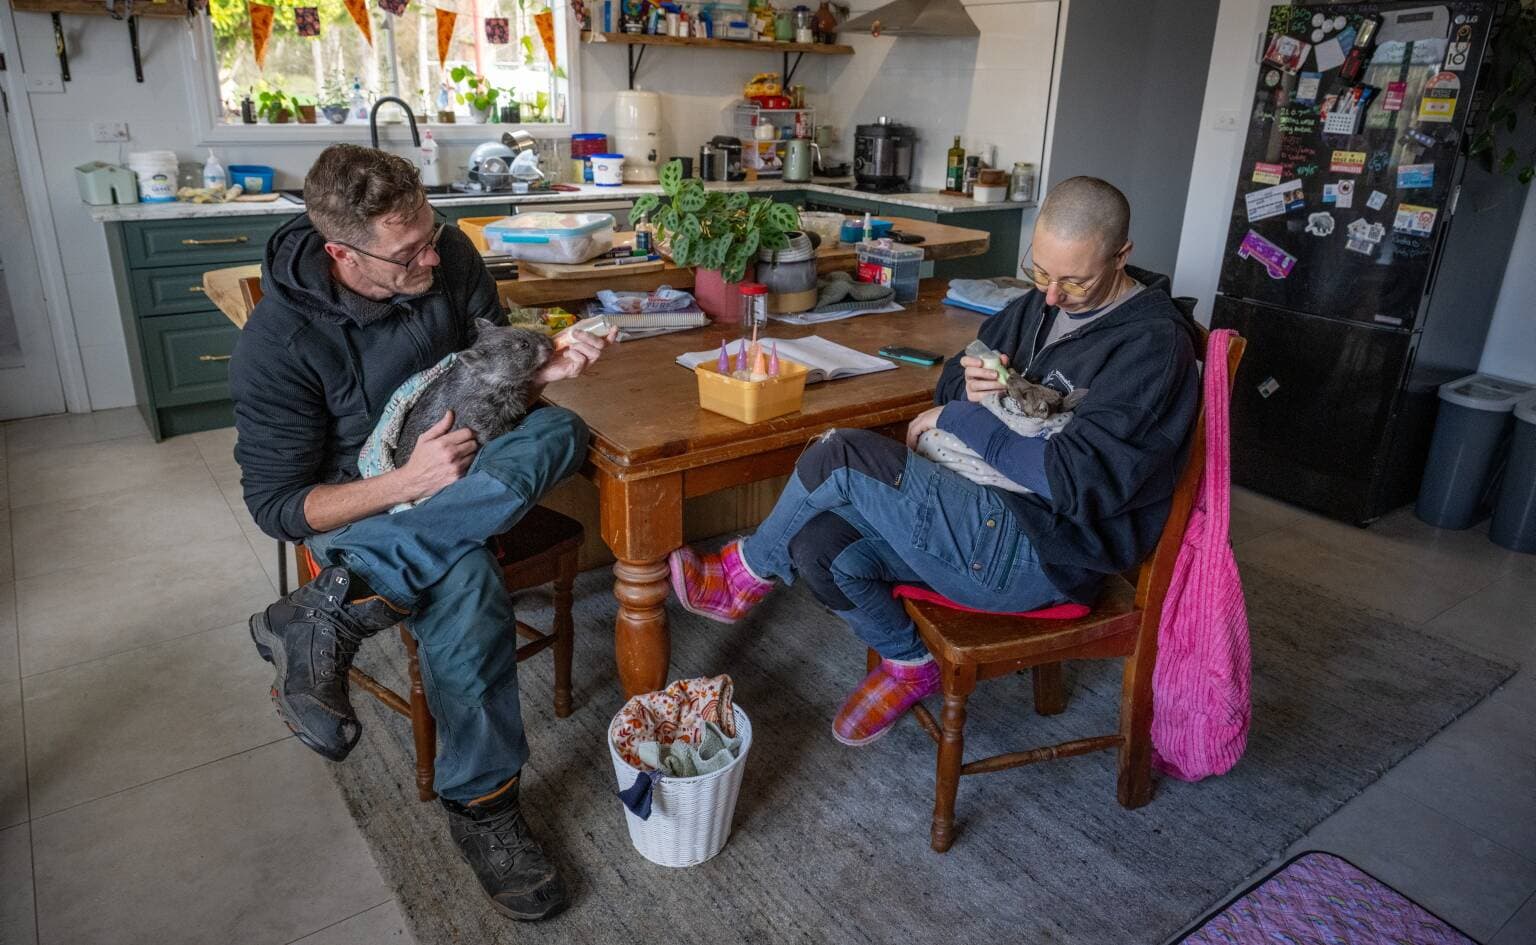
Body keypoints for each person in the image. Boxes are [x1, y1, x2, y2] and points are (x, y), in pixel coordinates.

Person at [668, 176, 1200, 746]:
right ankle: (908, 661)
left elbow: (1077, 480)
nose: (1051, 295)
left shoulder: (1151, 347)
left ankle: (744, 574)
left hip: (1045, 552)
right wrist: (966, 386)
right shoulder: (1037, 309)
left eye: (1074, 280)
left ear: (1122, 257)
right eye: (1040, 272)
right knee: (818, 544)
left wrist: (960, 418)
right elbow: (951, 377)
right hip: (978, 512)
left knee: (840, 455)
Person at [231, 144, 612, 922]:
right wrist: (410, 482)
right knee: (464, 579)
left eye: (432, 235)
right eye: (408, 254)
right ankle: (486, 808)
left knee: (563, 433)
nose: (433, 258)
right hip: (361, 502)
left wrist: (549, 371)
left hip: (462, 467)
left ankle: (335, 607)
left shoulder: (449, 254)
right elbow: (278, 506)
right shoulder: (278, 341)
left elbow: (497, 374)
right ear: (341, 252)